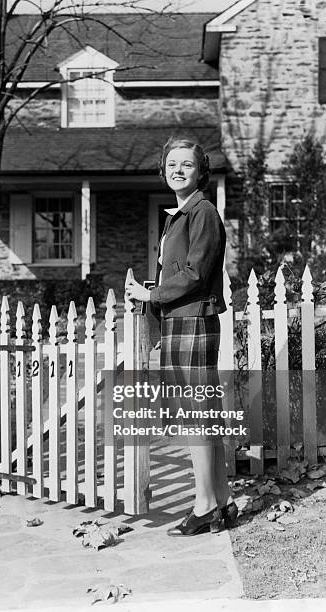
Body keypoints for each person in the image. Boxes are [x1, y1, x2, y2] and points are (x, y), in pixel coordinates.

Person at [125, 137, 238, 536]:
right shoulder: (179, 215)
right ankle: (221, 500)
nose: (177, 170)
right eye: (171, 163)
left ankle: (205, 504)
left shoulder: (202, 211)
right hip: (179, 320)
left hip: (193, 321)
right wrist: (154, 295)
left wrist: (150, 294)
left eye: (186, 164)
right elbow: (179, 272)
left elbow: (194, 275)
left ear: (200, 171)